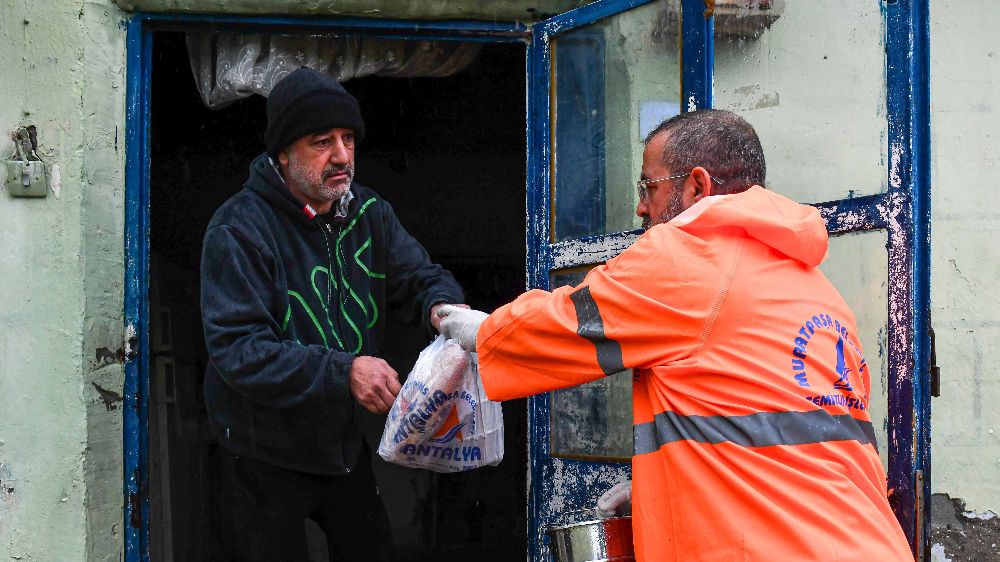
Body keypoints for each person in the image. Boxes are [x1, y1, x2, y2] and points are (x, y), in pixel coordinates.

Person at [438, 109, 912, 561]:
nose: (640, 206)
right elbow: (776, 434)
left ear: (697, 186)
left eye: (649, 187)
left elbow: (559, 326)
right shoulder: (815, 288)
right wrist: (662, 481)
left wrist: (477, 330)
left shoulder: (691, 254)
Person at [200, 67, 465, 561]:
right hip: (259, 452)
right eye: (321, 142)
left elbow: (418, 275)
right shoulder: (239, 229)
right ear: (282, 154)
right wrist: (347, 371)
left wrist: (449, 313)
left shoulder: (369, 213)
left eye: (348, 139)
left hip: (339, 449)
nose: (342, 156)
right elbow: (238, 351)